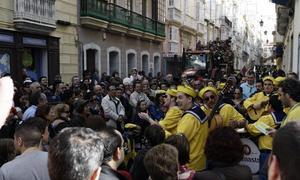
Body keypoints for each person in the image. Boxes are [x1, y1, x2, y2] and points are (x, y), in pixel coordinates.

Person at [246, 95, 285, 180]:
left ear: (270, 105)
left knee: (265, 176)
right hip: (282, 153)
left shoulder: (268, 118)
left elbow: (253, 130)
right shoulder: (286, 116)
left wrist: (245, 124)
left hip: (267, 153)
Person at [176, 85, 208, 171]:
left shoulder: (189, 117)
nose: (177, 100)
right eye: (177, 98)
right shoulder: (199, 110)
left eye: (180, 98)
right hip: (200, 162)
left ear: (189, 99)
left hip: (190, 165)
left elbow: (179, 142)